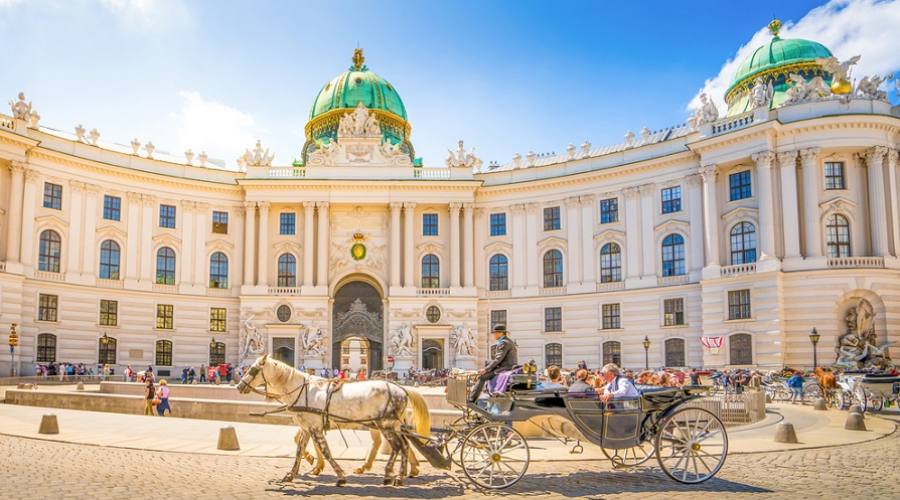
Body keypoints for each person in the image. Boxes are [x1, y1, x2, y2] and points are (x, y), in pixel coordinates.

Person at [468, 325, 518, 403]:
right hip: (507, 365)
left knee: (482, 377)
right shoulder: (507, 341)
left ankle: (471, 400)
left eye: (495, 333)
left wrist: (486, 369)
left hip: (506, 367)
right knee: (487, 363)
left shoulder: (503, 343)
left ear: (501, 333)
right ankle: (485, 393)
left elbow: (498, 359)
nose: (494, 335)